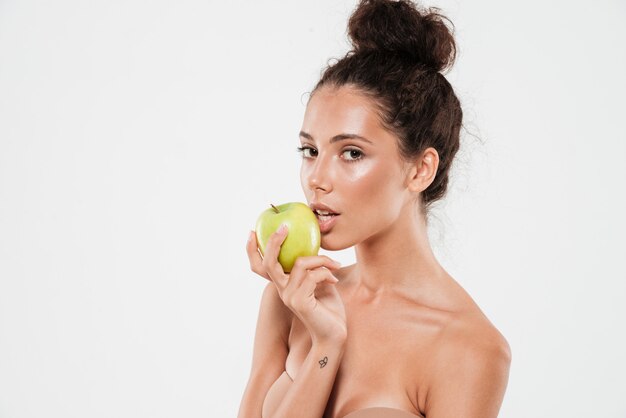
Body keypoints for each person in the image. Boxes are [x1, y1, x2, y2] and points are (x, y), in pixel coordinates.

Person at [237, 0, 511, 417]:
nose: (316, 178)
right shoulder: (290, 299)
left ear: (420, 169)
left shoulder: (469, 347)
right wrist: (325, 347)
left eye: (350, 153)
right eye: (310, 150)